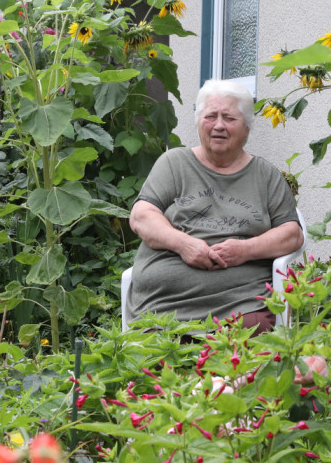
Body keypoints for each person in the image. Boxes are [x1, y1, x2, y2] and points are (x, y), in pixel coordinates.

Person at [126, 79, 303, 331]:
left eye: (229, 118)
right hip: (164, 306)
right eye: (210, 116)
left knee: (251, 347)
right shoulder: (174, 163)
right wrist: (185, 245)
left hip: (242, 303)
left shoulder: (265, 175)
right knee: (158, 359)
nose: (218, 125)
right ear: (199, 121)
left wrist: (244, 250)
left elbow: (291, 234)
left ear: (247, 128)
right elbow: (141, 216)